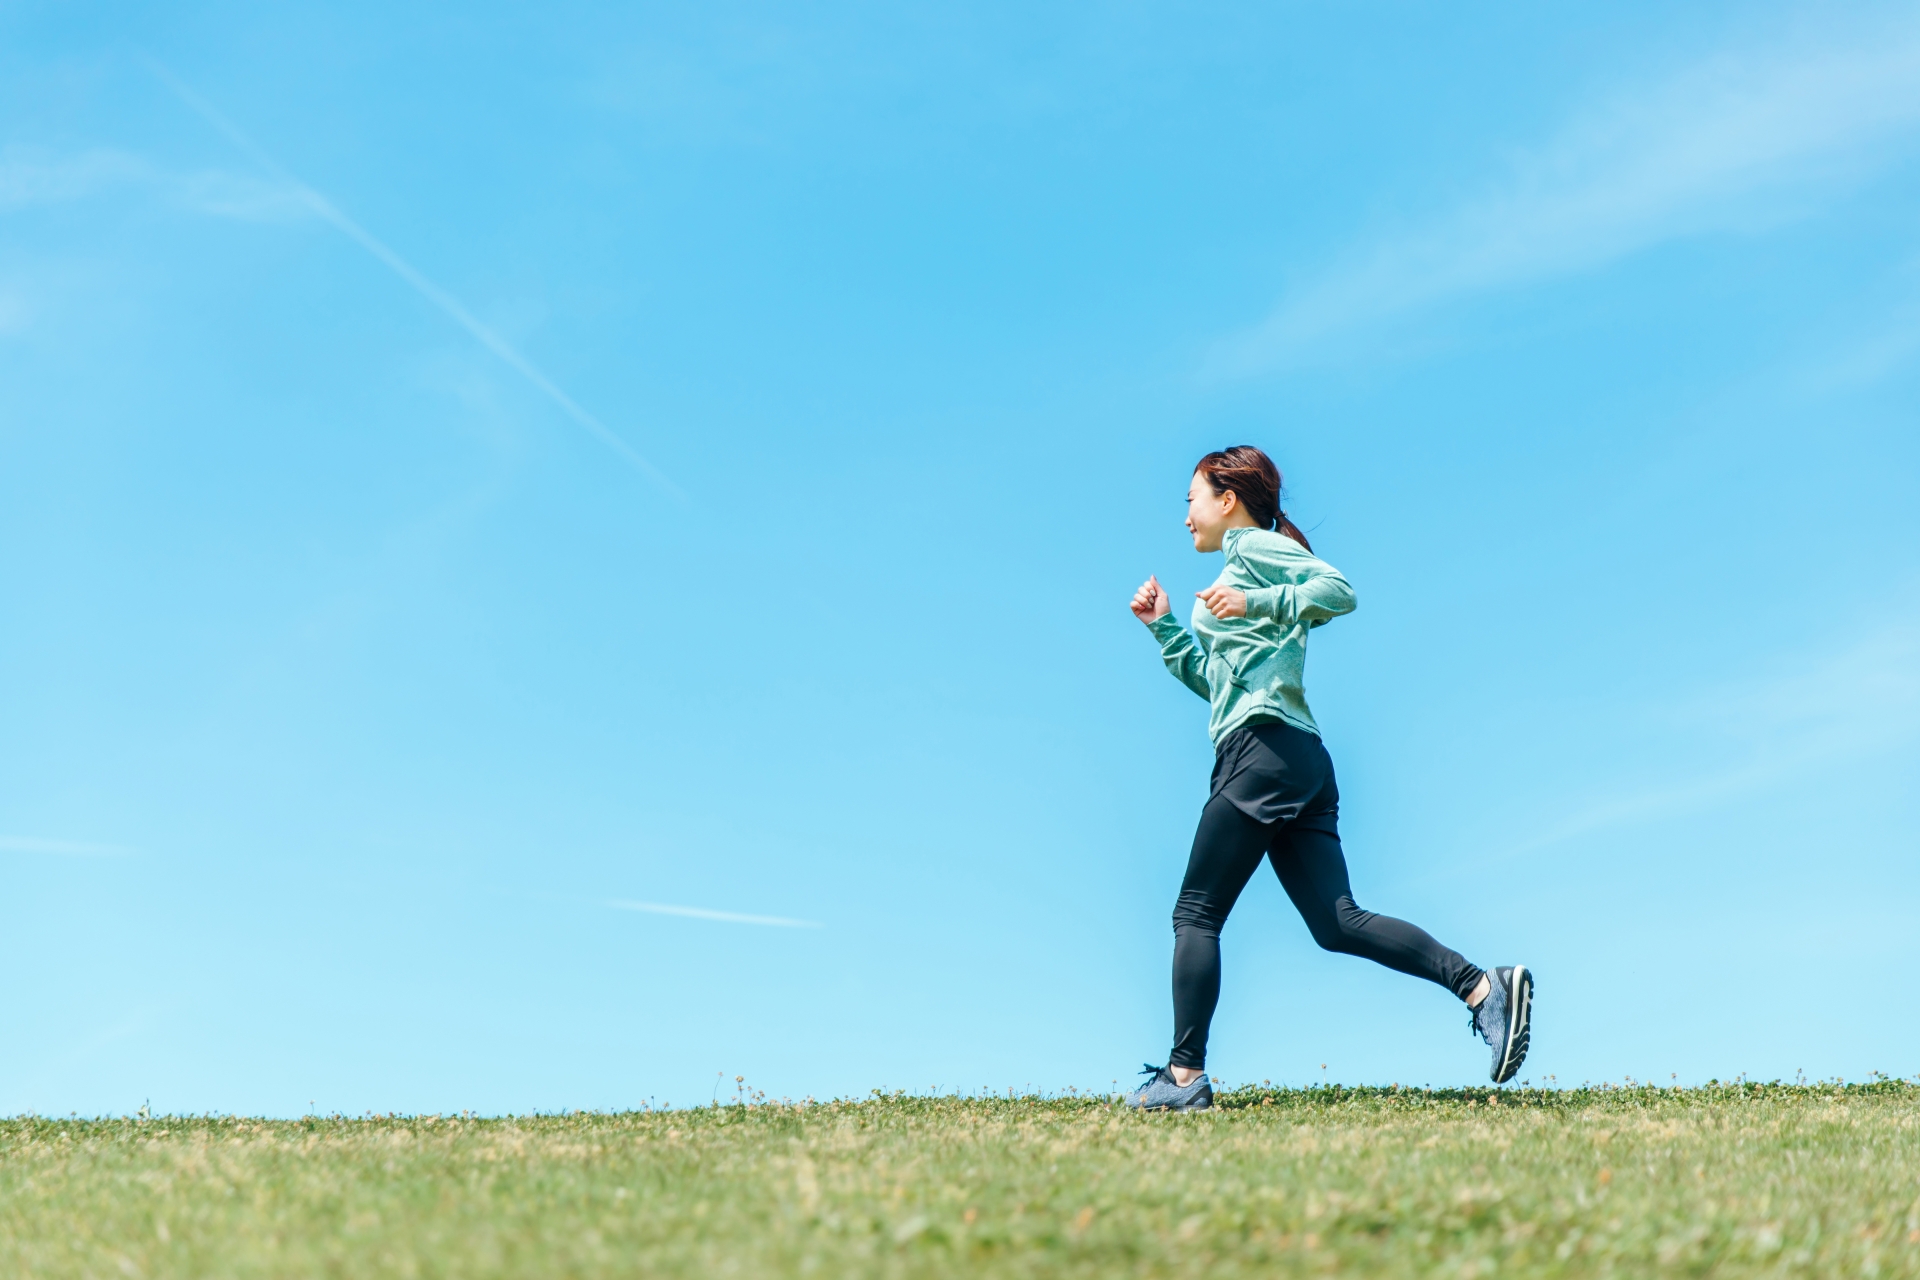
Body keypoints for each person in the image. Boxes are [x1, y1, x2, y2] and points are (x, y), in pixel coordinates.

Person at [1123, 446, 1531, 1112]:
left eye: (1191, 500)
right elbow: (1220, 685)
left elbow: (1339, 591)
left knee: (1196, 913)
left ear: (1228, 500)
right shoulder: (1240, 566)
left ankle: (1183, 1078)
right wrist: (1166, 628)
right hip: (1293, 756)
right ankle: (1485, 990)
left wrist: (1257, 597)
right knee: (1337, 922)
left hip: (1261, 753)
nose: (1186, 517)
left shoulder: (1256, 551)